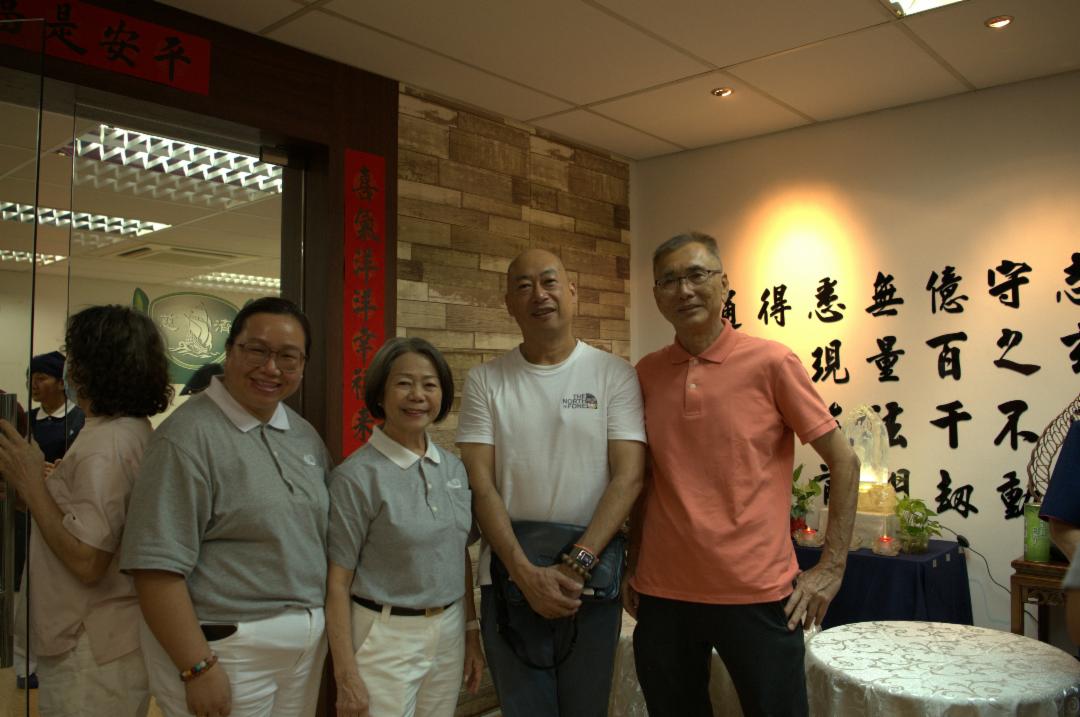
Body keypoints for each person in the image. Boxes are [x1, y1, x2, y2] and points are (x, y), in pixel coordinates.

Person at [628, 232, 859, 717]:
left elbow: (845, 461)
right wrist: (633, 560)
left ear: (724, 284)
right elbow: (642, 479)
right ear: (656, 295)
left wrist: (832, 567)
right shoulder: (645, 373)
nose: (684, 289)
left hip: (757, 591)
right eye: (669, 280)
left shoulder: (772, 362)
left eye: (697, 274)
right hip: (664, 593)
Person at [119, 296, 332, 717]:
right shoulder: (186, 437)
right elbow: (155, 568)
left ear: (303, 365)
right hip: (226, 650)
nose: (271, 368)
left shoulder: (303, 435)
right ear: (229, 350)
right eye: (257, 350)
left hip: (302, 652)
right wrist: (197, 668)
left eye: (288, 357)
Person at [456, 248, 646, 717]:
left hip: (591, 581)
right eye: (523, 286)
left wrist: (577, 565)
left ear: (572, 292)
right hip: (508, 581)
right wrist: (524, 574)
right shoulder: (486, 381)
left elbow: (628, 476)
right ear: (509, 303)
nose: (538, 294)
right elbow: (481, 485)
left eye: (549, 281)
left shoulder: (614, 374)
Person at [0, 305, 173, 716]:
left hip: (91, 647)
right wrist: (36, 490)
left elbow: (87, 560)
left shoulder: (108, 445)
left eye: (72, 356)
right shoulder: (123, 431)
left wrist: (32, 483)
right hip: (102, 641)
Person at [326, 337, 484, 717]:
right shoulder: (356, 476)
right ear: (380, 394)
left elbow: (457, 554)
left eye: (429, 384)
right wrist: (345, 674)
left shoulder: (452, 468)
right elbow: (337, 583)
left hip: (448, 630)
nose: (417, 396)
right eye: (403, 383)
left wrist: (470, 631)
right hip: (385, 636)